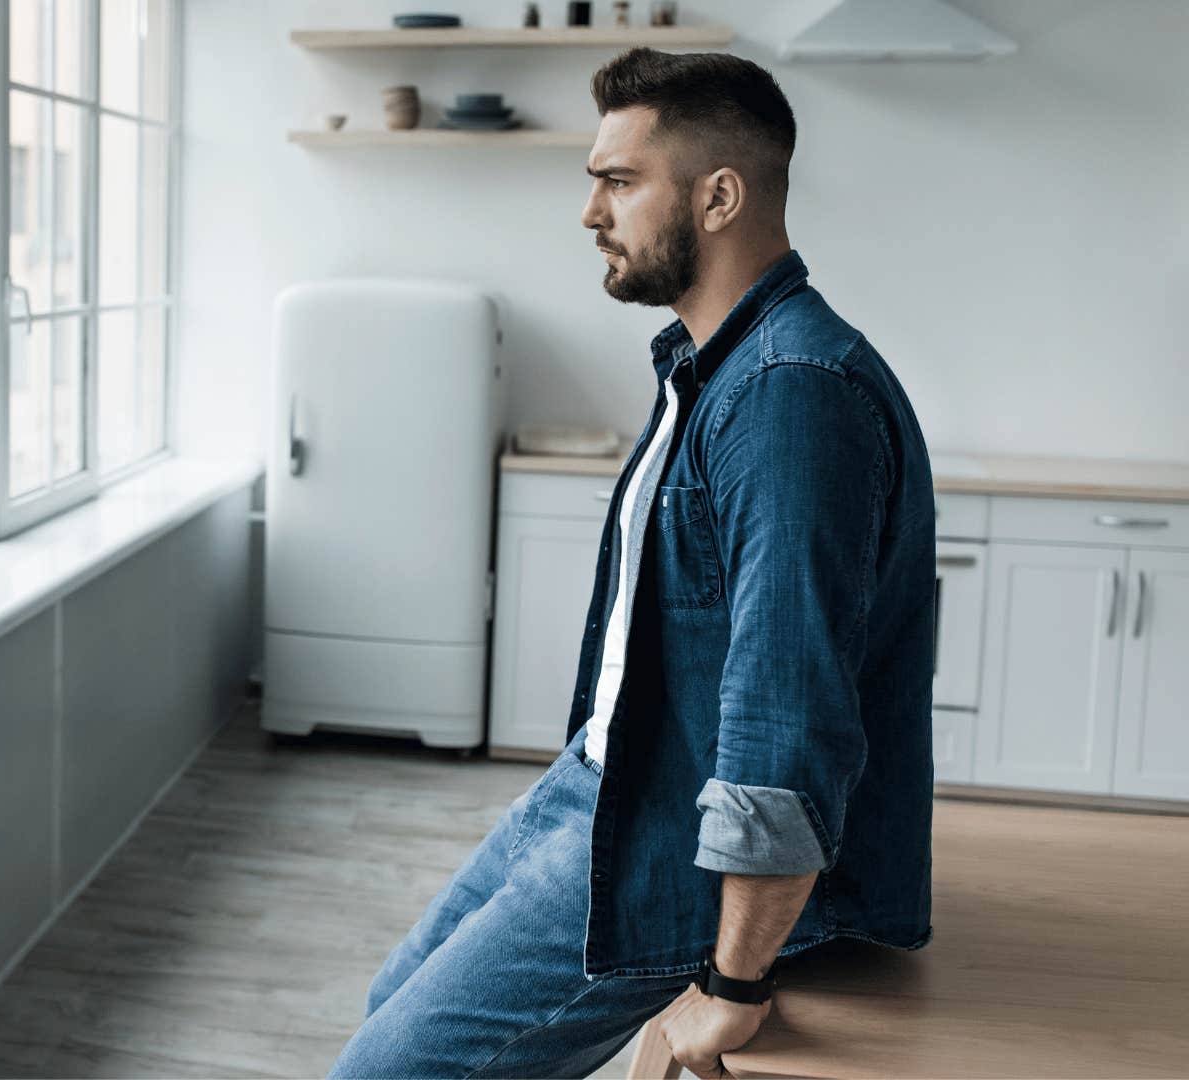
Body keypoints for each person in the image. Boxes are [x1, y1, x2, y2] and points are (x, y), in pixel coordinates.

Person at [329, 47, 936, 1079]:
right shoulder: (716, 367)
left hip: (673, 847)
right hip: (605, 785)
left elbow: (782, 729)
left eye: (618, 180)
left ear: (719, 196)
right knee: (390, 1003)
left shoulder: (791, 395)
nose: (589, 212)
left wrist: (735, 986)